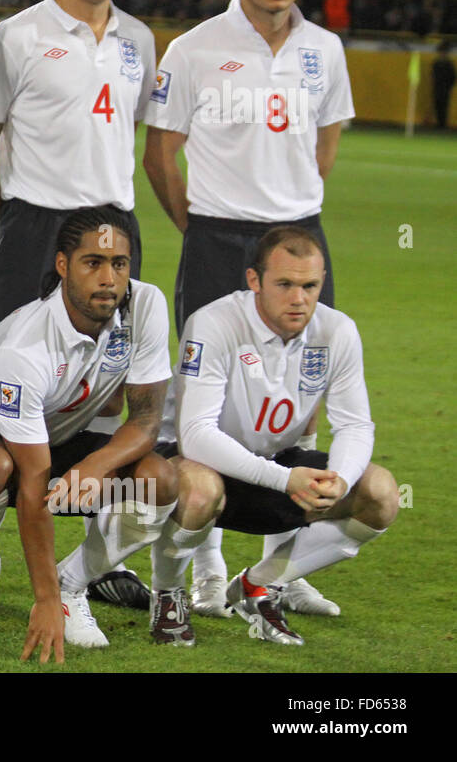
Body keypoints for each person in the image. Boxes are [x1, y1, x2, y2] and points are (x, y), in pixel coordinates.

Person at [143, 0, 354, 618]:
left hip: (298, 235)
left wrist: (292, 220)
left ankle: (277, 571)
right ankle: (204, 566)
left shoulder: (325, 49)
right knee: (206, 402)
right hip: (218, 239)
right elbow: (160, 152)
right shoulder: (197, 48)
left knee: (306, 394)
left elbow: (324, 148)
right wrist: (199, 226)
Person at [0, 0, 157, 612]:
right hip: (36, 222)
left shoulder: (138, 40)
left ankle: (95, 559)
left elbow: (128, 133)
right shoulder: (15, 38)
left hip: (113, 224)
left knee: (106, 381)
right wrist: (16, 223)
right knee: (4, 382)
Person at [0, 208, 186, 660]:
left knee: (159, 483)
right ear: (64, 265)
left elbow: (146, 421)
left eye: (120, 264)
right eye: (93, 262)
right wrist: (40, 600)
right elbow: (34, 482)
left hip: (66, 435)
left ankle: (74, 586)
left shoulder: (145, 306)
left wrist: (94, 465)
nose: (109, 278)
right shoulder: (25, 347)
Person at [151, 226, 398, 645]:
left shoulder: (336, 331)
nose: (298, 298)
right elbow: (195, 435)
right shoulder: (214, 322)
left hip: (277, 461)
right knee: (198, 488)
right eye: (284, 284)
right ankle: (168, 596)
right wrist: (285, 480)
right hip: (197, 465)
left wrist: (339, 478)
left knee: (380, 493)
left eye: (309, 285)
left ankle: (260, 585)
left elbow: (355, 424)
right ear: (254, 281)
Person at [432, 41, 454, 129]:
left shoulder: (449, 64)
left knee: (444, 106)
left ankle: (443, 124)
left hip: (445, 89)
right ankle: (439, 123)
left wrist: (448, 87)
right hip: (437, 88)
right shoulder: (436, 63)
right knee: (437, 105)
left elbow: (452, 77)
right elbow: (433, 76)